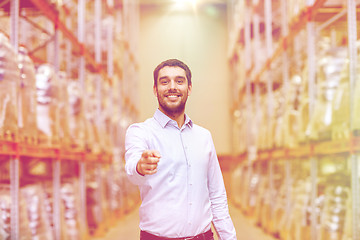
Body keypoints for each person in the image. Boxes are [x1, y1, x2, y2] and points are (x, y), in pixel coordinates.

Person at [125, 59, 237, 240]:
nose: (172, 87)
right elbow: (132, 172)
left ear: (189, 88)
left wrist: (229, 237)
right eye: (164, 81)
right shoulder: (141, 132)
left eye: (179, 81)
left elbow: (216, 195)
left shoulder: (203, 136)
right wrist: (140, 166)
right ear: (155, 89)